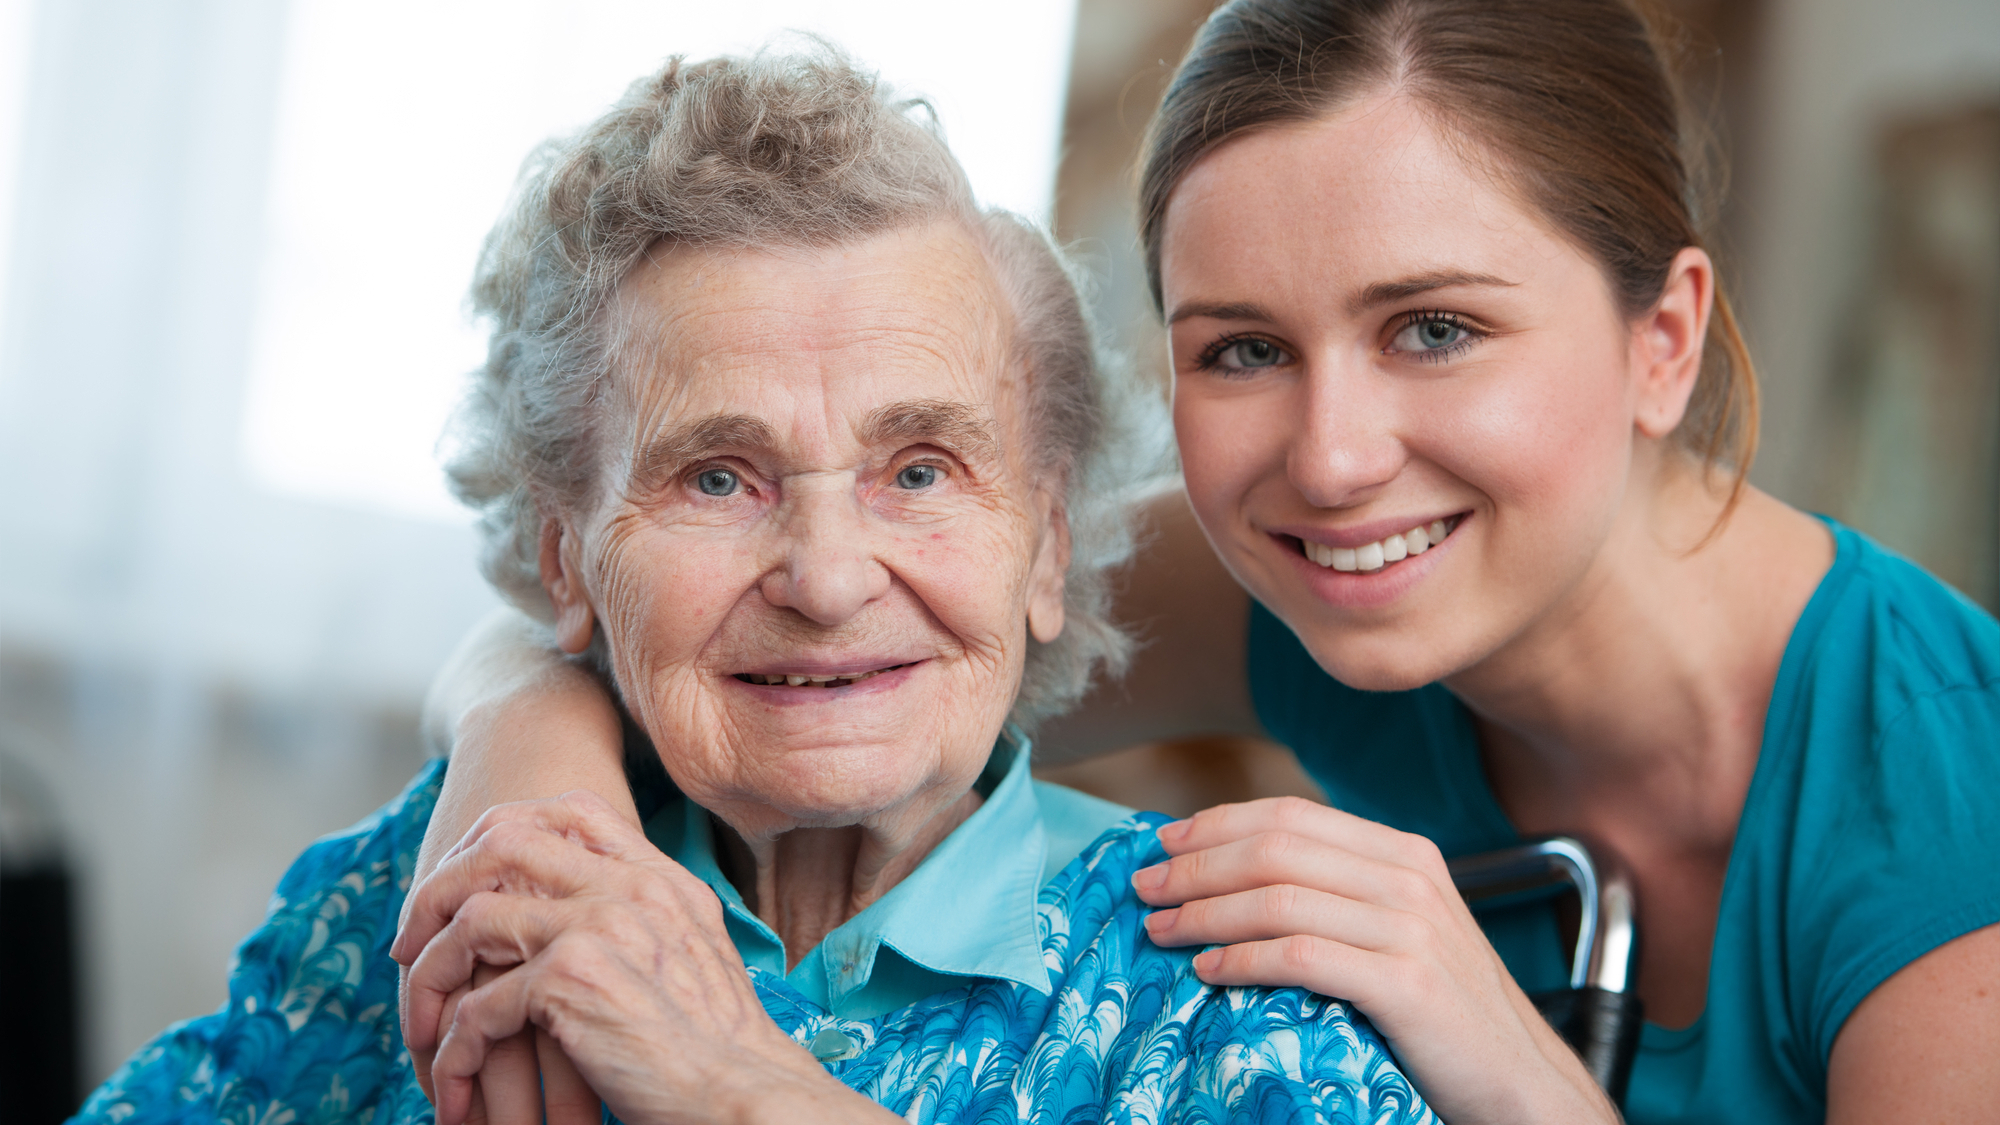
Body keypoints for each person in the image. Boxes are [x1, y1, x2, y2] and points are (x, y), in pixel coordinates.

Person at [416, 1, 2000, 1123]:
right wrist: (521, 787)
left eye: (1434, 328)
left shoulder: (1940, 792)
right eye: (1242, 348)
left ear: (1663, 341)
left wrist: (1502, 1052)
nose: (1328, 453)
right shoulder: (1299, 564)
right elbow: (739, 630)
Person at [73, 48, 1442, 1125]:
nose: (832, 578)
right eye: (718, 477)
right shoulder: (441, 893)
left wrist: (736, 1084)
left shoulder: (1237, 999)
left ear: (1046, 546)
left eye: (919, 469)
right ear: (568, 556)